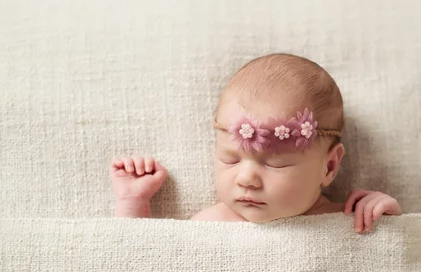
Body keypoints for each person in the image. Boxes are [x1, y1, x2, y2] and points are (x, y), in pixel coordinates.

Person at [110, 53, 401, 233]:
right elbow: (145, 269)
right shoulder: (210, 226)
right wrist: (132, 203)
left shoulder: (347, 221)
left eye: (275, 163)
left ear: (329, 165)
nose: (246, 178)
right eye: (230, 159)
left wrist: (387, 219)